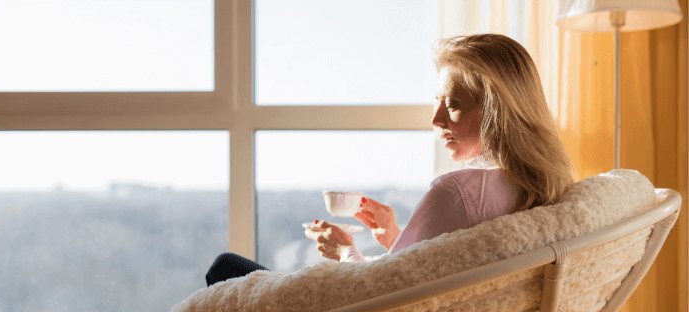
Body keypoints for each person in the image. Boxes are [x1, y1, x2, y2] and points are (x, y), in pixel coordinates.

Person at [205, 33, 573, 286]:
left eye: (454, 105)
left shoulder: (457, 192)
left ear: (497, 111)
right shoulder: (537, 188)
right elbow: (421, 275)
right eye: (438, 101)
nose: (436, 120)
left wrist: (346, 250)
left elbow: (378, 295)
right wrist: (396, 238)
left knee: (225, 268)